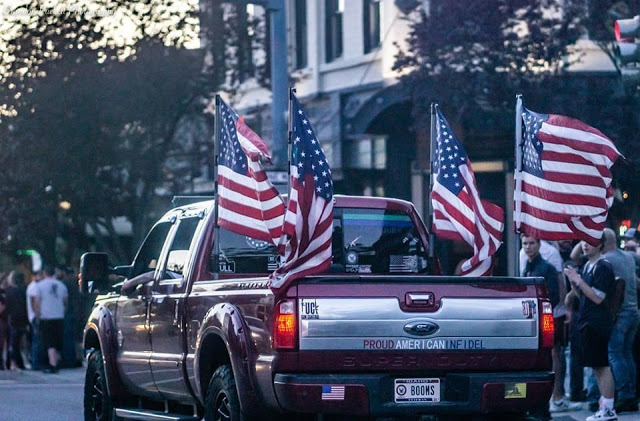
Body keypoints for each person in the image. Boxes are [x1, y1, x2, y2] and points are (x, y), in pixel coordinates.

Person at [521, 235, 578, 413]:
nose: (528, 247)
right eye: (525, 243)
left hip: (548, 316)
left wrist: (564, 309)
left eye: (531, 243)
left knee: (554, 354)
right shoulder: (527, 265)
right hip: (532, 317)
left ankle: (557, 397)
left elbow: (555, 294)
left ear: (539, 244)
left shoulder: (548, 265)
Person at [565, 238, 618, 421]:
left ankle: (609, 409)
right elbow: (583, 296)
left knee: (602, 365)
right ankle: (605, 407)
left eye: (590, 241)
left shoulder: (603, 266)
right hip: (587, 321)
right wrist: (574, 284)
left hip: (598, 322)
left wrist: (578, 280)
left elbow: (597, 298)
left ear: (600, 244)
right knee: (596, 366)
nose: (585, 245)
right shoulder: (588, 265)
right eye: (583, 241)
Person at [601, 229, 639, 413]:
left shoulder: (606, 260)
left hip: (620, 314)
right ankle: (631, 393)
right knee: (627, 353)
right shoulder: (629, 257)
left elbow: (575, 257)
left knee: (615, 354)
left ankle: (624, 394)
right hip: (633, 312)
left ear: (603, 241)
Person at [33, 265, 68, 373]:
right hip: (59, 316)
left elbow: (37, 302)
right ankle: (56, 361)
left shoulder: (40, 286)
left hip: (46, 316)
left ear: (44, 273)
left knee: (49, 341)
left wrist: (37, 315)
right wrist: (62, 312)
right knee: (57, 340)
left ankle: (53, 364)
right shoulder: (61, 285)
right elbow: (65, 302)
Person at [5, 271, 29, 370]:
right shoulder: (25, 290)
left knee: (13, 343)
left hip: (12, 319)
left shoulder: (8, 291)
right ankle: (19, 362)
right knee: (19, 342)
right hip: (23, 319)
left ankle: (13, 362)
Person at [26, 270, 44, 370]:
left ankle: (36, 362)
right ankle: (36, 363)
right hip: (35, 317)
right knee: (37, 340)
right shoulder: (34, 287)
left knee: (37, 340)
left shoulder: (34, 286)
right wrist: (37, 316)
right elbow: (35, 303)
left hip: (34, 316)